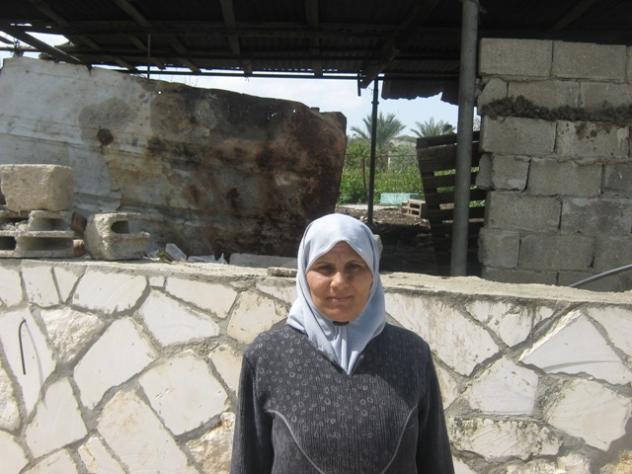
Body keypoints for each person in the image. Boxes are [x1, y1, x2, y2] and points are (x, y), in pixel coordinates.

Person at [231, 213, 454, 474]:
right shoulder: (268, 356)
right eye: (325, 268)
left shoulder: (412, 354)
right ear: (304, 274)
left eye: (354, 267)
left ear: (373, 274)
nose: (339, 282)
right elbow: (247, 464)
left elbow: (436, 463)